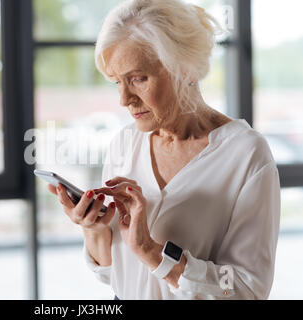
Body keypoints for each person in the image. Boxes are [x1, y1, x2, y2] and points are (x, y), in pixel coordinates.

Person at [47, 0, 280, 299]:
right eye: (117, 82)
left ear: (184, 69)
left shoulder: (247, 154)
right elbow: (112, 274)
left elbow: (247, 288)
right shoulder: (124, 143)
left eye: (138, 79)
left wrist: (153, 252)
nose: (124, 99)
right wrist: (93, 227)